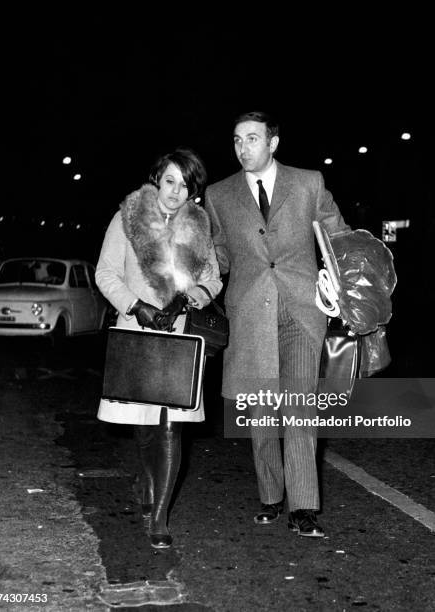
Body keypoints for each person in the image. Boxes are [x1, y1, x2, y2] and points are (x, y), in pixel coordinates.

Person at [204, 111, 350, 538]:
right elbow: (220, 257)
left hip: (302, 312)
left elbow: (337, 238)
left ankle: (303, 507)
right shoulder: (219, 194)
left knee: (300, 410)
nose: (243, 148)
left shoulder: (309, 183)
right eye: (236, 140)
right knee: (262, 412)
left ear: (273, 142)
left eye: (252, 139)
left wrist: (358, 285)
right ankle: (271, 494)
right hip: (250, 314)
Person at [95, 147, 222, 549]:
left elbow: (213, 279)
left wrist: (190, 297)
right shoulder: (127, 219)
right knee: (144, 426)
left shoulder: (199, 228)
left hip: (180, 338)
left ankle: (160, 516)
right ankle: (148, 480)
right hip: (137, 329)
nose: (175, 191)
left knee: (170, 426)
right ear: (156, 180)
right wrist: (137, 306)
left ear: (193, 193)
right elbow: (105, 273)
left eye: (185, 185)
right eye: (170, 181)